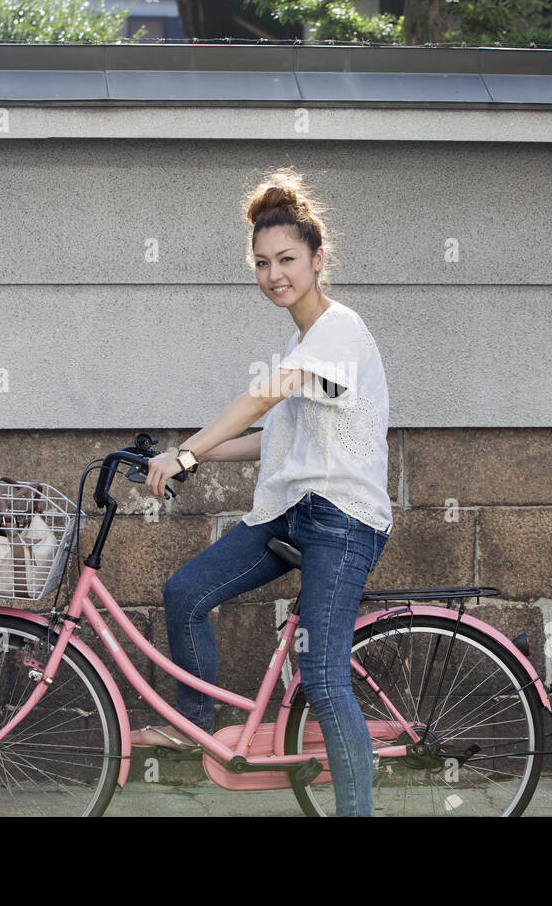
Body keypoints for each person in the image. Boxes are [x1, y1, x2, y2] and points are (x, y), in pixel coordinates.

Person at [132, 166, 394, 816]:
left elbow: (261, 397)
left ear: (316, 259)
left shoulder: (341, 330)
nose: (274, 273)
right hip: (290, 515)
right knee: (185, 592)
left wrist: (190, 447)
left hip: (343, 522)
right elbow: (268, 438)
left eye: (286, 259)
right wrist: (180, 457)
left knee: (324, 678)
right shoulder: (301, 341)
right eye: (261, 263)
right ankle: (191, 723)